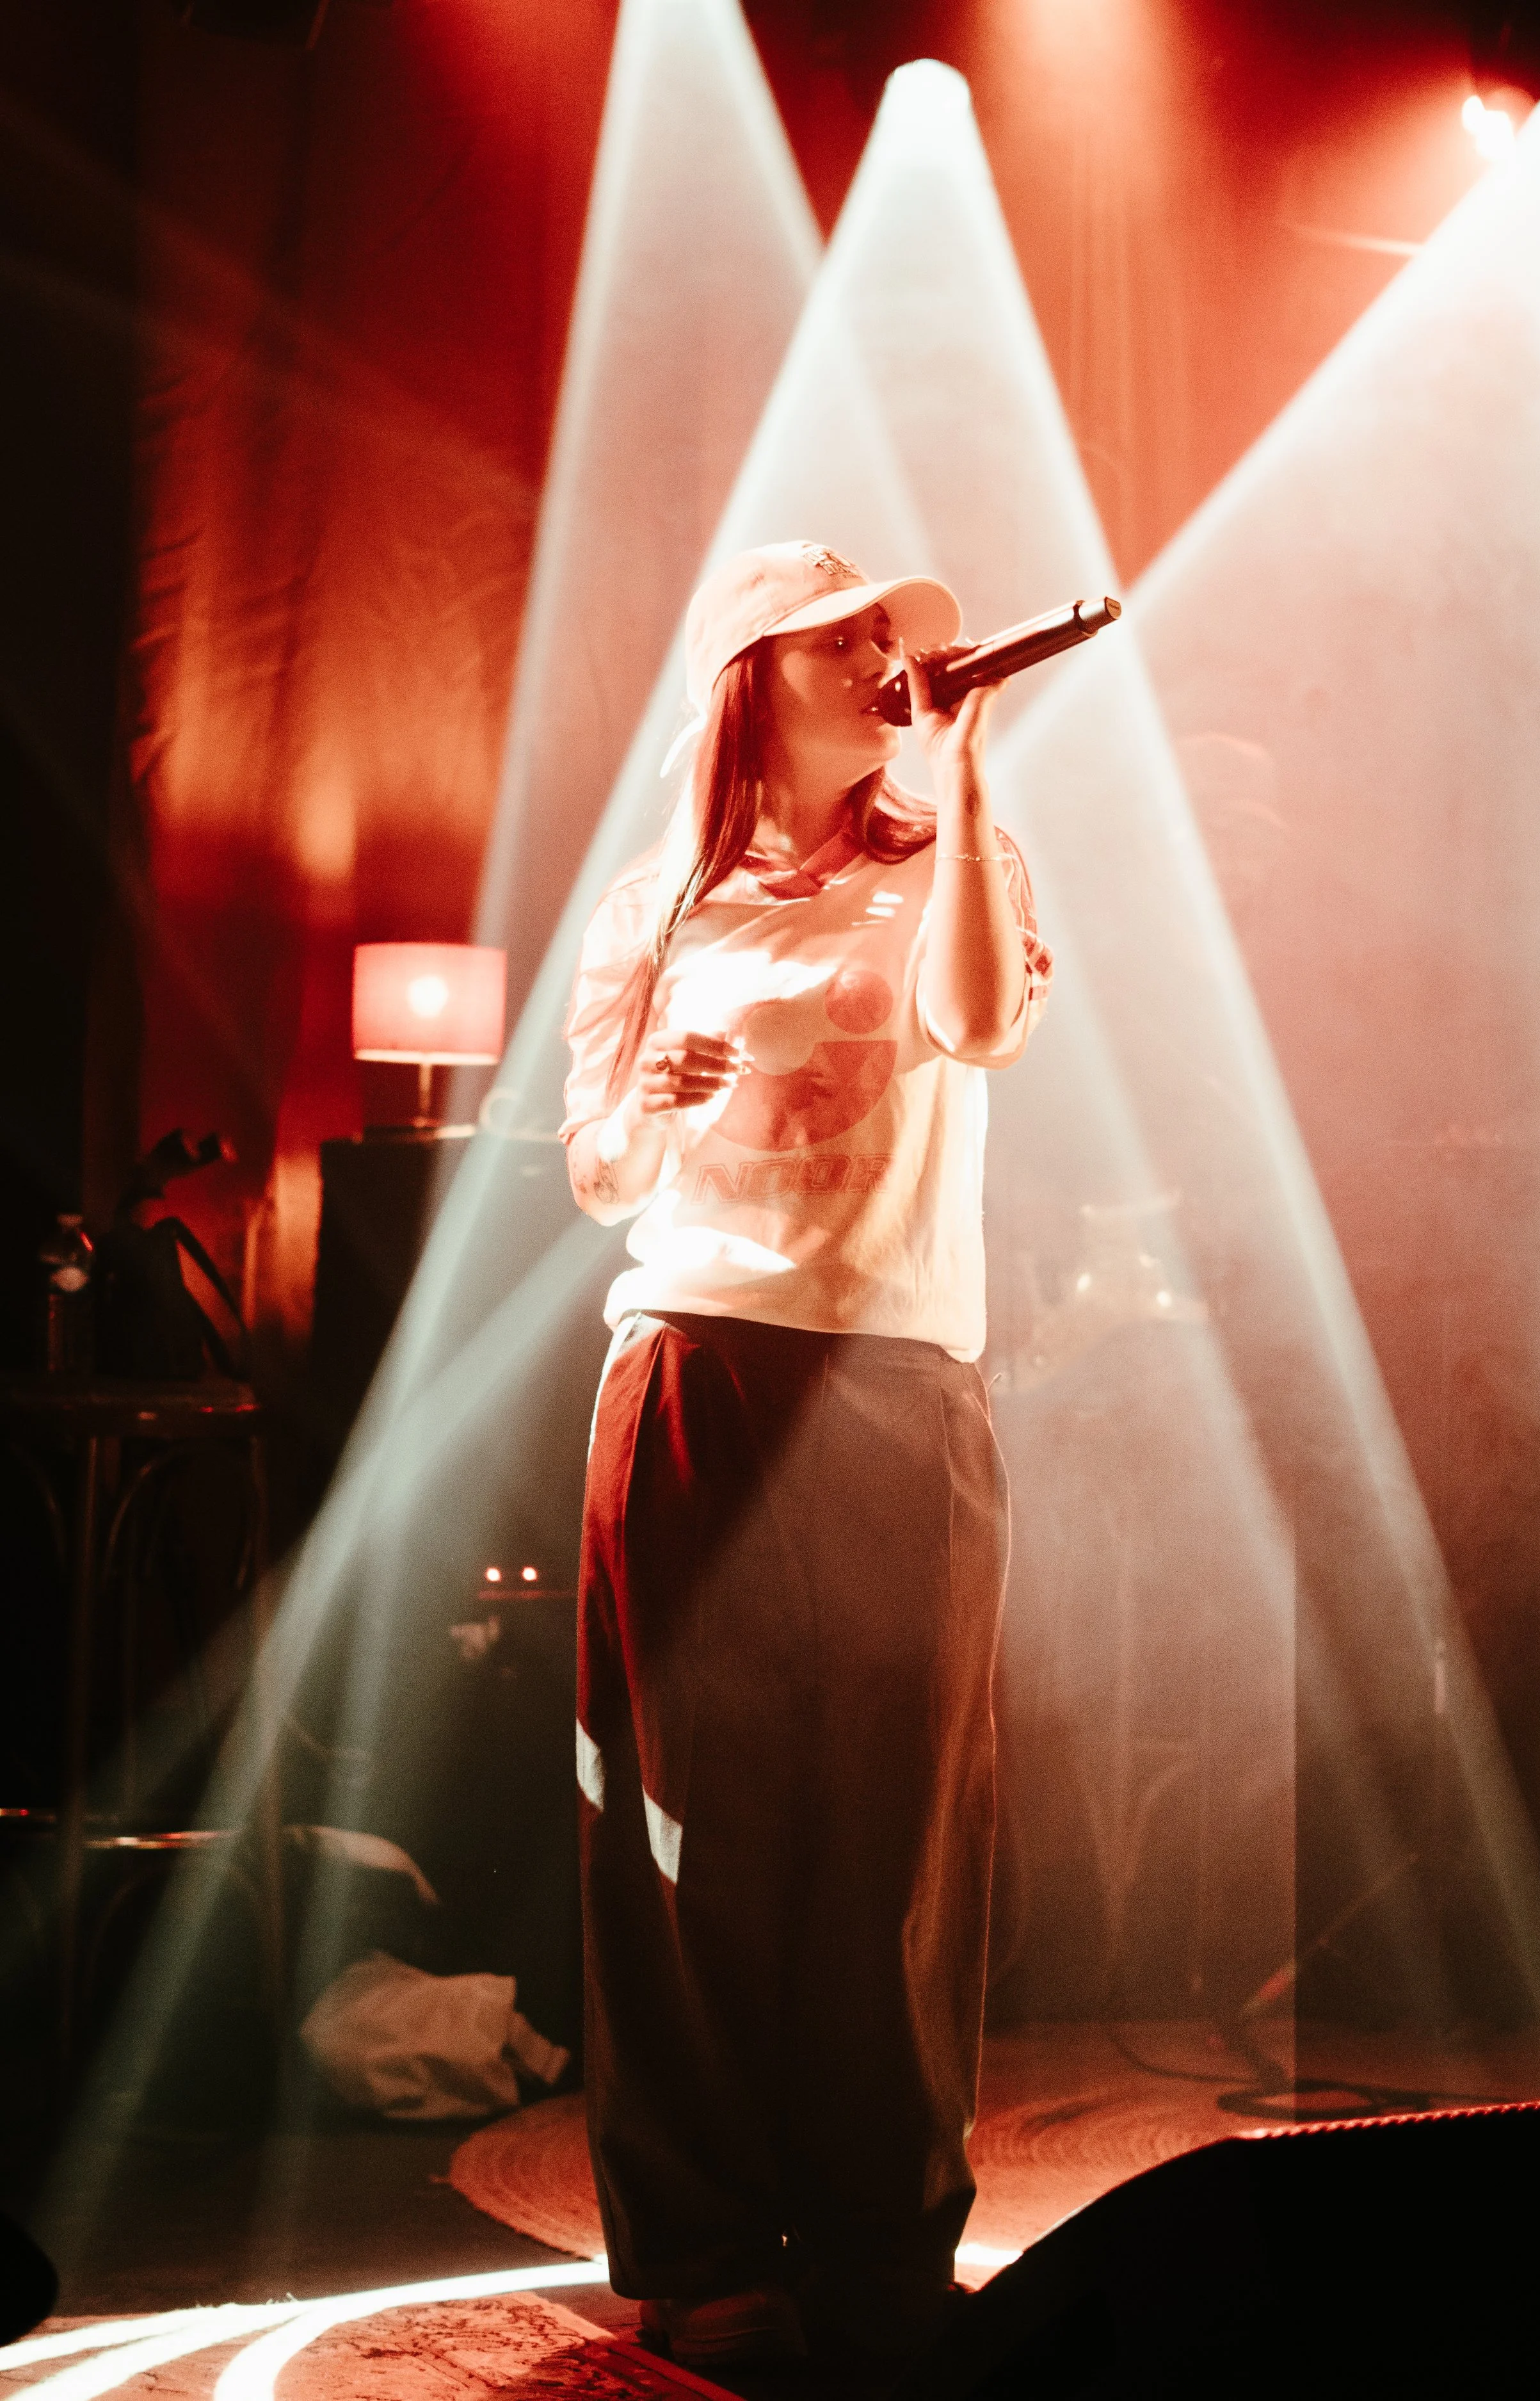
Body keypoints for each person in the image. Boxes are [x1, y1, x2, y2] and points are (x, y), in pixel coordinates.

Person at [559, 540, 1052, 2374]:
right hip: (689, 1360)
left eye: (893, 639)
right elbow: (597, 1170)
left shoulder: (953, 863)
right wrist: (645, 1104)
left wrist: (977, 771)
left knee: (896, 1830)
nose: (882, 657)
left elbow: (985, 1022)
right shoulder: (657, 905)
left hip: (893, 1377)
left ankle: (879, 2235)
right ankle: (693, 2242)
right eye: (842, 635)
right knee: (674, 1832)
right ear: (751, 675)